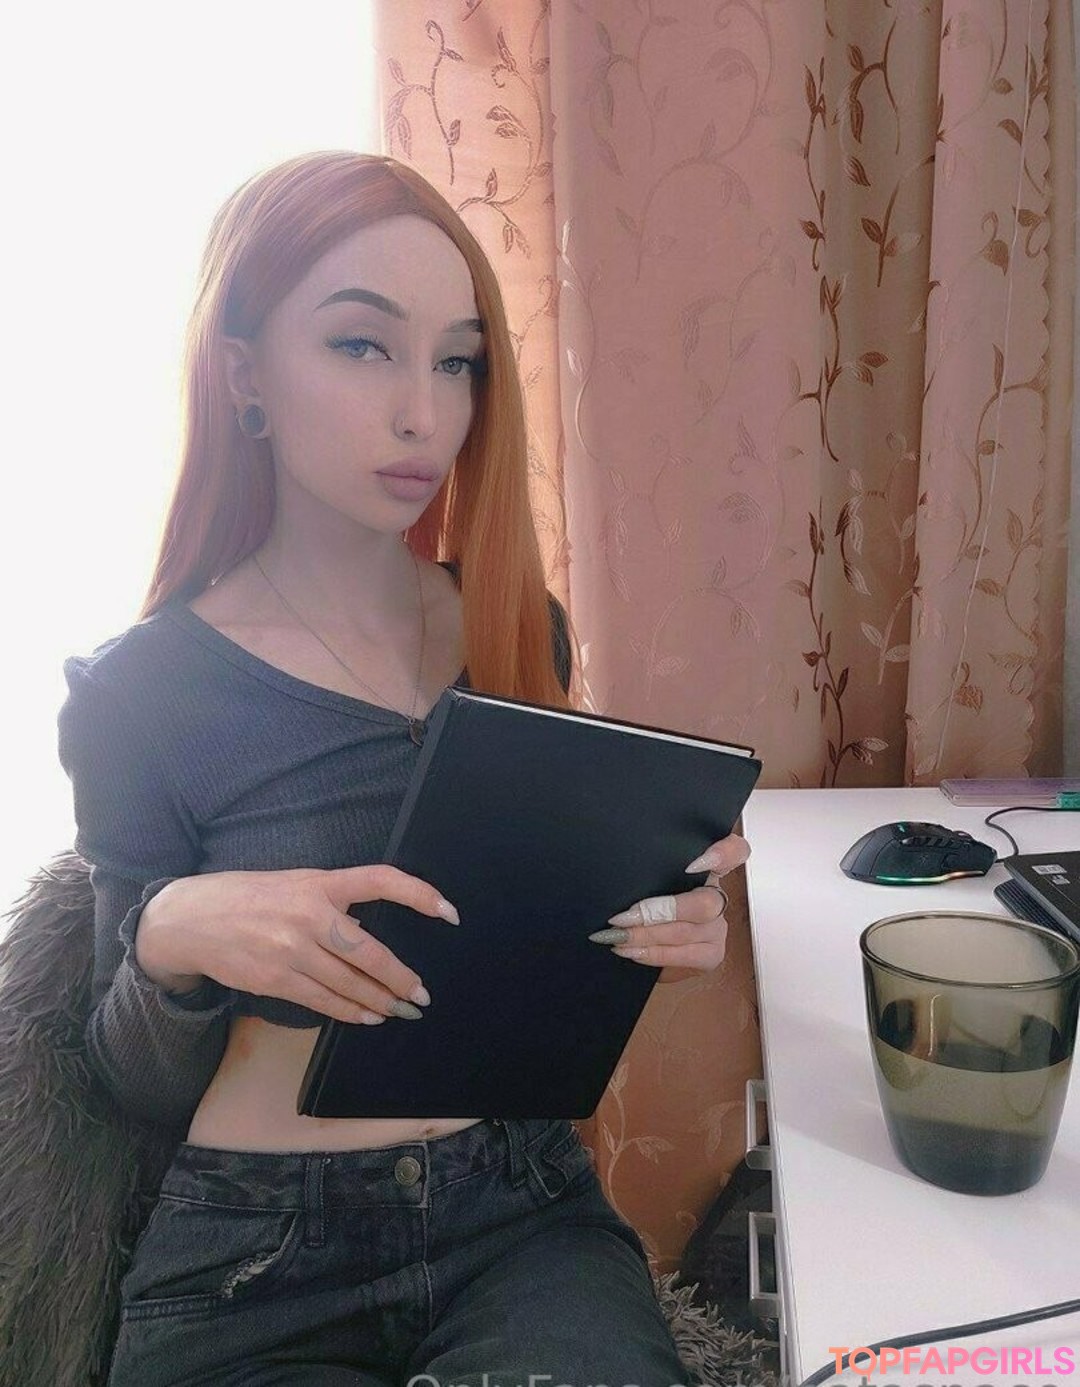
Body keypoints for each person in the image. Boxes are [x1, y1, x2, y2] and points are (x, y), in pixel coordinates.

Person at [58, 150, 749, 1387]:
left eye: (456, 360)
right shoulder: (142, 692)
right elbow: (129, 1084)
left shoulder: (514, 625)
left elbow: (519, 956)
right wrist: (174, 931)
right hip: (257, 1253)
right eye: (363, 346)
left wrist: (653, 920)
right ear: (244, 376)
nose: (424, 413)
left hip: (519, 1211)